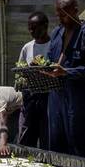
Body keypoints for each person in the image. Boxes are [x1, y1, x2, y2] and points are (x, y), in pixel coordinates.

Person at [45, 0, 85, 158]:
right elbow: (50, 59)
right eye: (58, 14)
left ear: (75, 11)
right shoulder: (57, 32)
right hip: (57, 95)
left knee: (79, 141)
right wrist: (43, 67)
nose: (60, 18)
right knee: (57, 141)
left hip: (79, 98)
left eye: (64, 14)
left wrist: (66, 72)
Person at [17, 11, 50, 148]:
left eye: (35, 27)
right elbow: (20, 71)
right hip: (30, 96)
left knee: (46, 133)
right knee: (26, 131)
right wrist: (25, 75)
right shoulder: (27, 47)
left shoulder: (53, 45)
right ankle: (24, 158)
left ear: (45, 26)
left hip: (48, 96)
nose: (31, 31)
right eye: (30, 28)